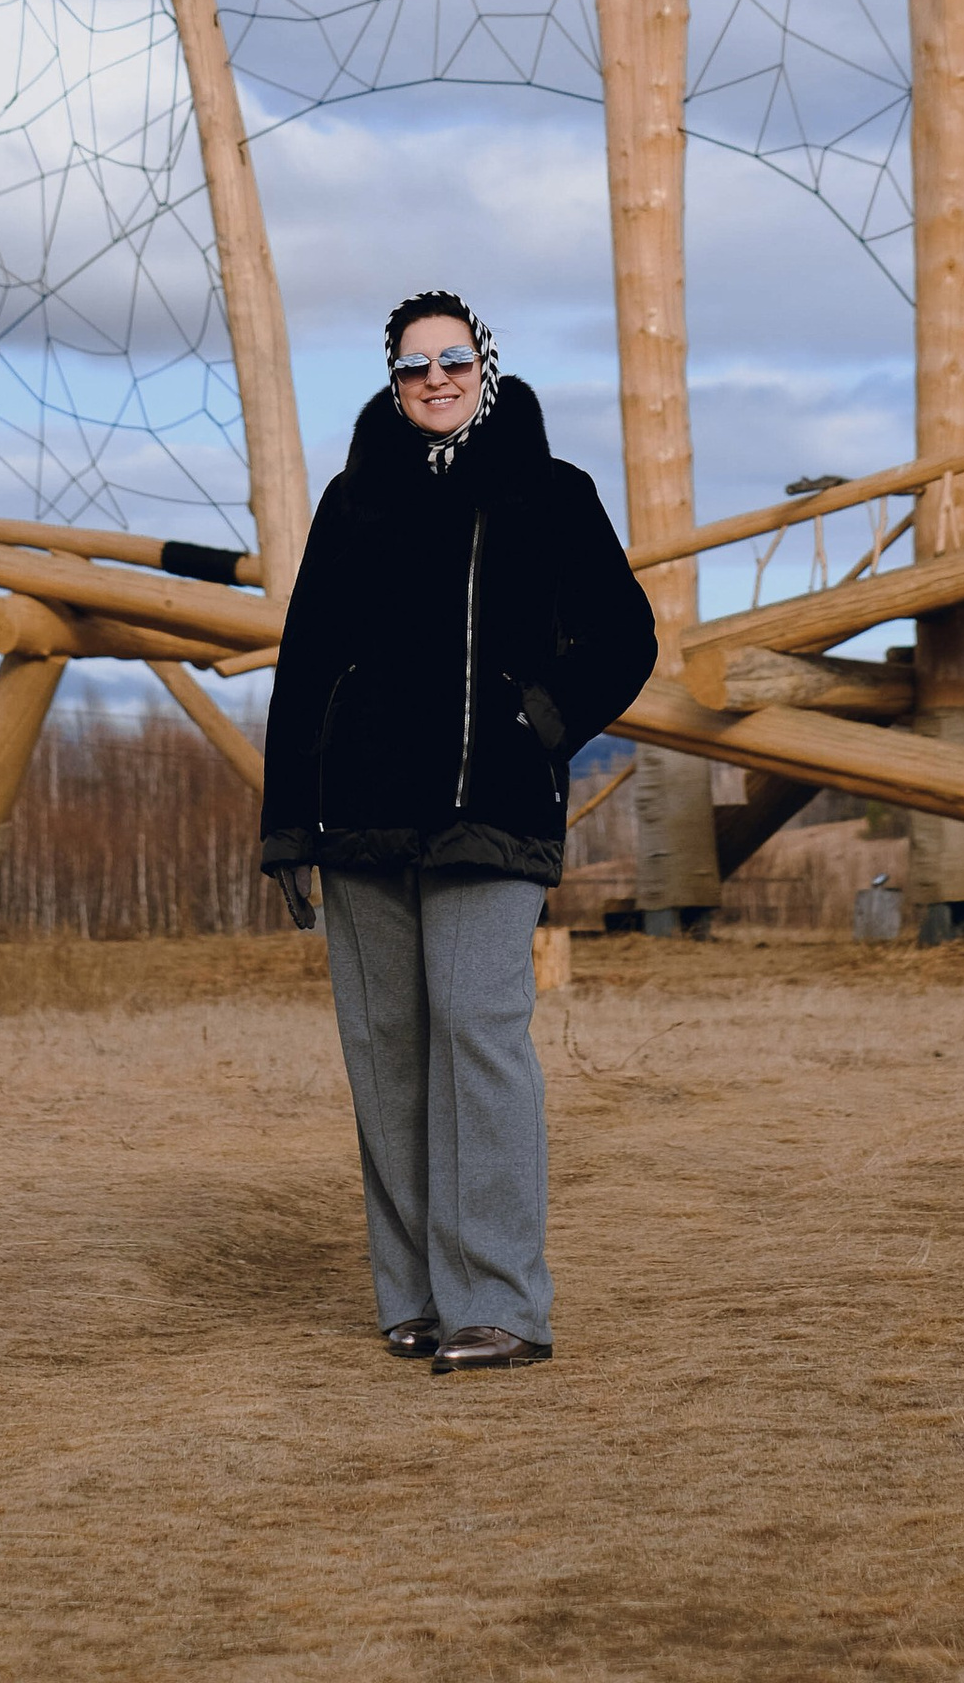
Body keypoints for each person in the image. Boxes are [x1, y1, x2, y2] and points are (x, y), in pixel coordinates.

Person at [259, 289, 657, 1374]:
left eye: (450, 360)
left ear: (483, 363)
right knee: (386, 1053)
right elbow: (303, 667)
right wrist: (288, 824)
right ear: (391, 381)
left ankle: (499, 1303)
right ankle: (417, 1296)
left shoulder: (551, 491)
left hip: (492, 811)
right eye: (410, 366)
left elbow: (626, 635)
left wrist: (543, 717)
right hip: (361, 817)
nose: (433, 379)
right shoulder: (351, 501)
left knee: (477, 1029)